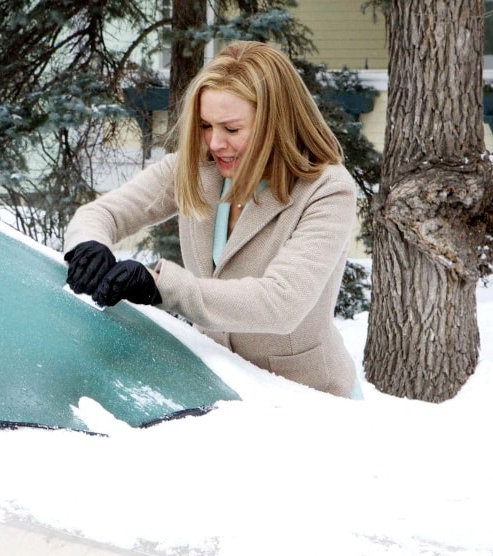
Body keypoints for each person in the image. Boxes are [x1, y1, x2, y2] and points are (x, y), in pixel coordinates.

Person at [64, 41, 362, 400]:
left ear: (275, 123)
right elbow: (102, 214)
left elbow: (282, 304)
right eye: (206, 125)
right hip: (215, 391)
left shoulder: (326, 190)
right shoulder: (195, 167)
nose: (215, 142)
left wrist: (161, 287)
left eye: (232, 129)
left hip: (306, 399)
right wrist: (88, 245)